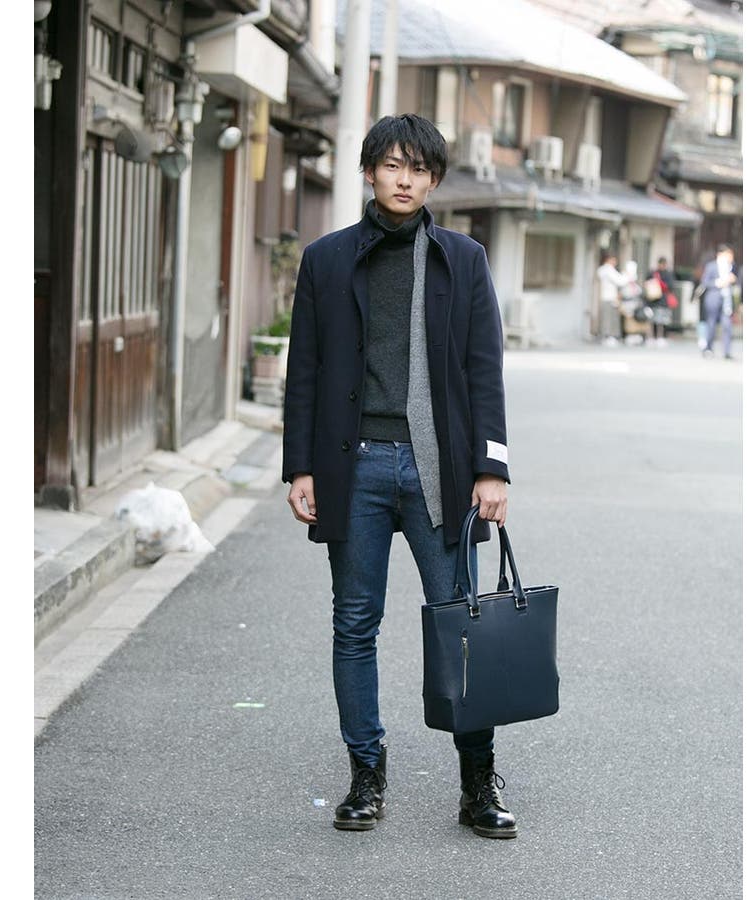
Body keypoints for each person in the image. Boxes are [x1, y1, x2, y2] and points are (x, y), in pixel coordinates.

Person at [282, 114, 516, 839]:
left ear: (434, 180)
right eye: (392, 165)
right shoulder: (326, 260)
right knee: (355, 622)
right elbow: (304, 371)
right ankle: (366, 774)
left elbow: (484, 368)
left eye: (418, 168)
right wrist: (300, 466)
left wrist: (492, 467)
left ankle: (477, 781)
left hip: (438, 469)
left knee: (459, 624)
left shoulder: (462, 259)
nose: (405, 180)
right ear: (370, 171)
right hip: (353, 467)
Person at [699, 244, 740, 359]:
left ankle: (727, 351)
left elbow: (737, 282)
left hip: (726, 301)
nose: (730, 257)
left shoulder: (732, 267)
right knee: (711, 324)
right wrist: (718, 283)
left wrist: (733, 280)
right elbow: (705, 282)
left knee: (727, 325)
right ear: (721, 254)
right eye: (728, 254)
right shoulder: (711, 266)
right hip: (713, 298)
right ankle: (708, 348)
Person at [596, 253, 629, 345]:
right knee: (610, 318)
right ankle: (608, 337)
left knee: (607, 317)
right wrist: (626, 274)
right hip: (610, 297)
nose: (615, 262)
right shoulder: (608, 270)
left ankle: (606, 336)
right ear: (609, 260)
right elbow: (621, 281)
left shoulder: (602, 270)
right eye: (614, 260)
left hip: (606, 297)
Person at [649, 257, 677, 346]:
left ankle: (662, 337)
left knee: (663, 320)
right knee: (654, 319)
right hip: (654, 299)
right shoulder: (653, 273)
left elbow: (671, 286)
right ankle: (654, 337)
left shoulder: (668, 274)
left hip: (664, 300)